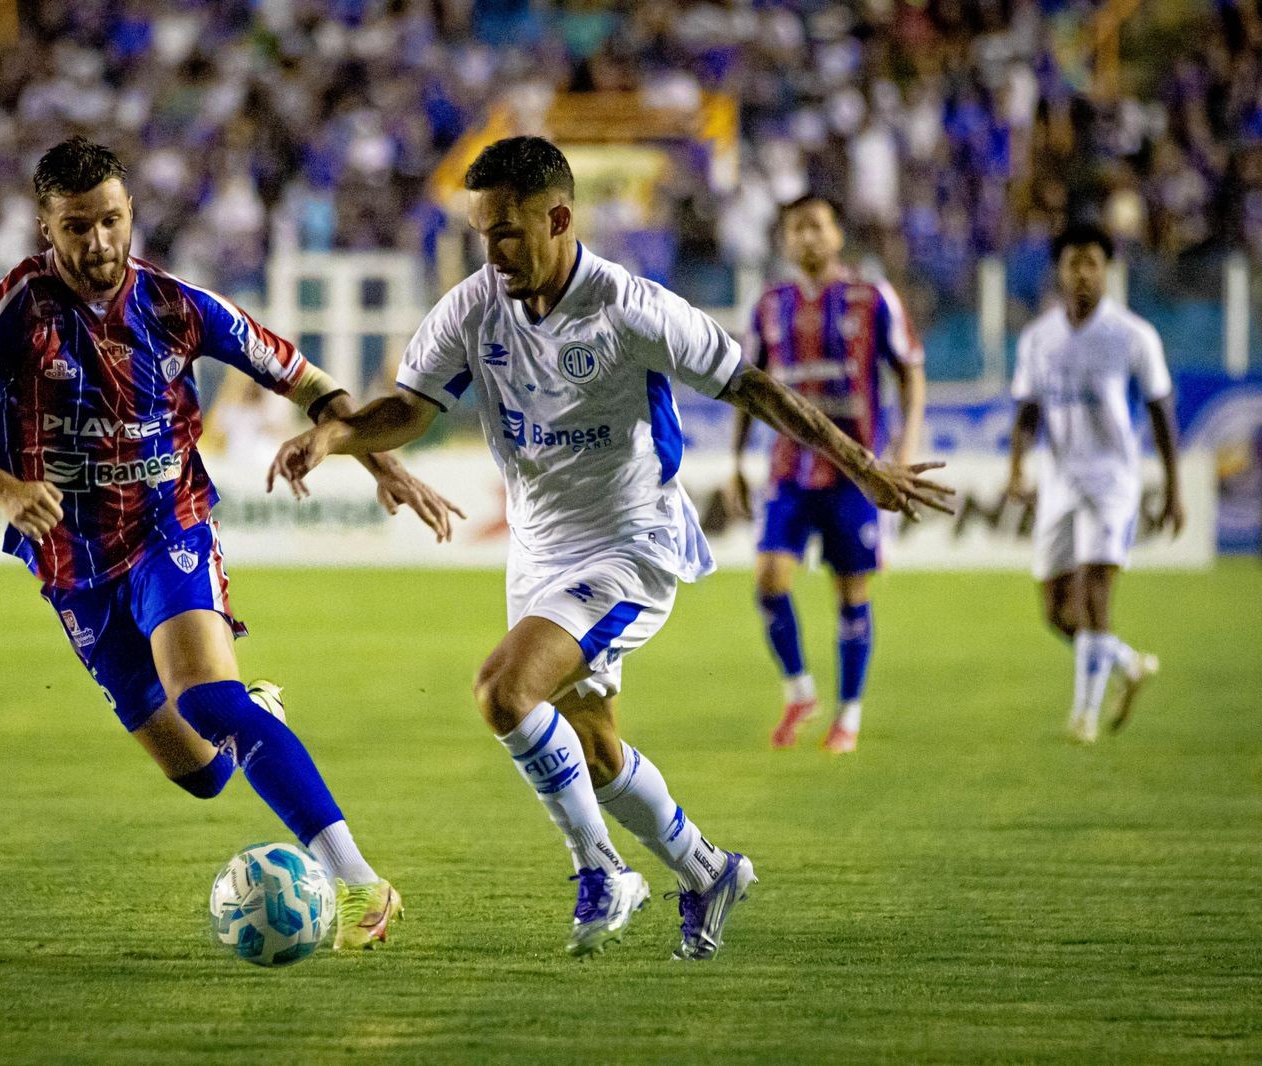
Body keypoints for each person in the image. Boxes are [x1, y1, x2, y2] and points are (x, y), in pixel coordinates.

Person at [268, 137, 954, 959]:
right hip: (540, 553)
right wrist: (337, 437)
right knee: (592, 753)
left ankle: (601, 870)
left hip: (632, 546)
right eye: (485, 233)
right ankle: (709, 871)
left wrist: (863, 464)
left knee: (502, 692)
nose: (494, 251)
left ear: (559, 218)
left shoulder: (630, 306)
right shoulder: (474, 305)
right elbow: (412, 409)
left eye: (509, 231)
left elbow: (755, 385)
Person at [0, 137, 459, 950]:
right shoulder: (7, 314)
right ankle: (252, 711)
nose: (98, 243)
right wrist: (5, 488)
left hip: (168, 526)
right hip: (71, 564)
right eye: (77, 227)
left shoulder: (174, 304)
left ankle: (360, 881)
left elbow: (309, 383)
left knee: (203, 699)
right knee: (199, 773)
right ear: (44, 228)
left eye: (112, 221)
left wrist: (376, 461)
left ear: (131, 215)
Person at [726, 194, 927, 754]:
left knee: (851, 591)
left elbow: (911, 371)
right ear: (785, 241)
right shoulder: (769, 305)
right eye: (796, 229)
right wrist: (738, 461)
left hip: (856, 472)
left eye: (817, 226)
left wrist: (904, 451)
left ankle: (849, 716)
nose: (807, 237)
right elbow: (748, 387)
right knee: (769, 579)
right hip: (789, 469)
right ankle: (799, 691)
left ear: (837, 234)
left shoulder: (871, 296)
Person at [1006, 222, 1181, 743]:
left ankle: (1083, 716)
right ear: (1058, 272)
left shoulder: (1133, 336)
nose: (1083, 273)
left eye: (1093, 264)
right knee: (1057, 611)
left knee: (1095, 591)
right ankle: (1126, 663)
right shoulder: (1039, 339)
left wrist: (1173, 488)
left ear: (1107, 271)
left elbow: (1160, 413)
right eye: (1072, 263)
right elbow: (1028, 410)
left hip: (1113, 483)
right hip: (1059, 482)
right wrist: (1017, 466)